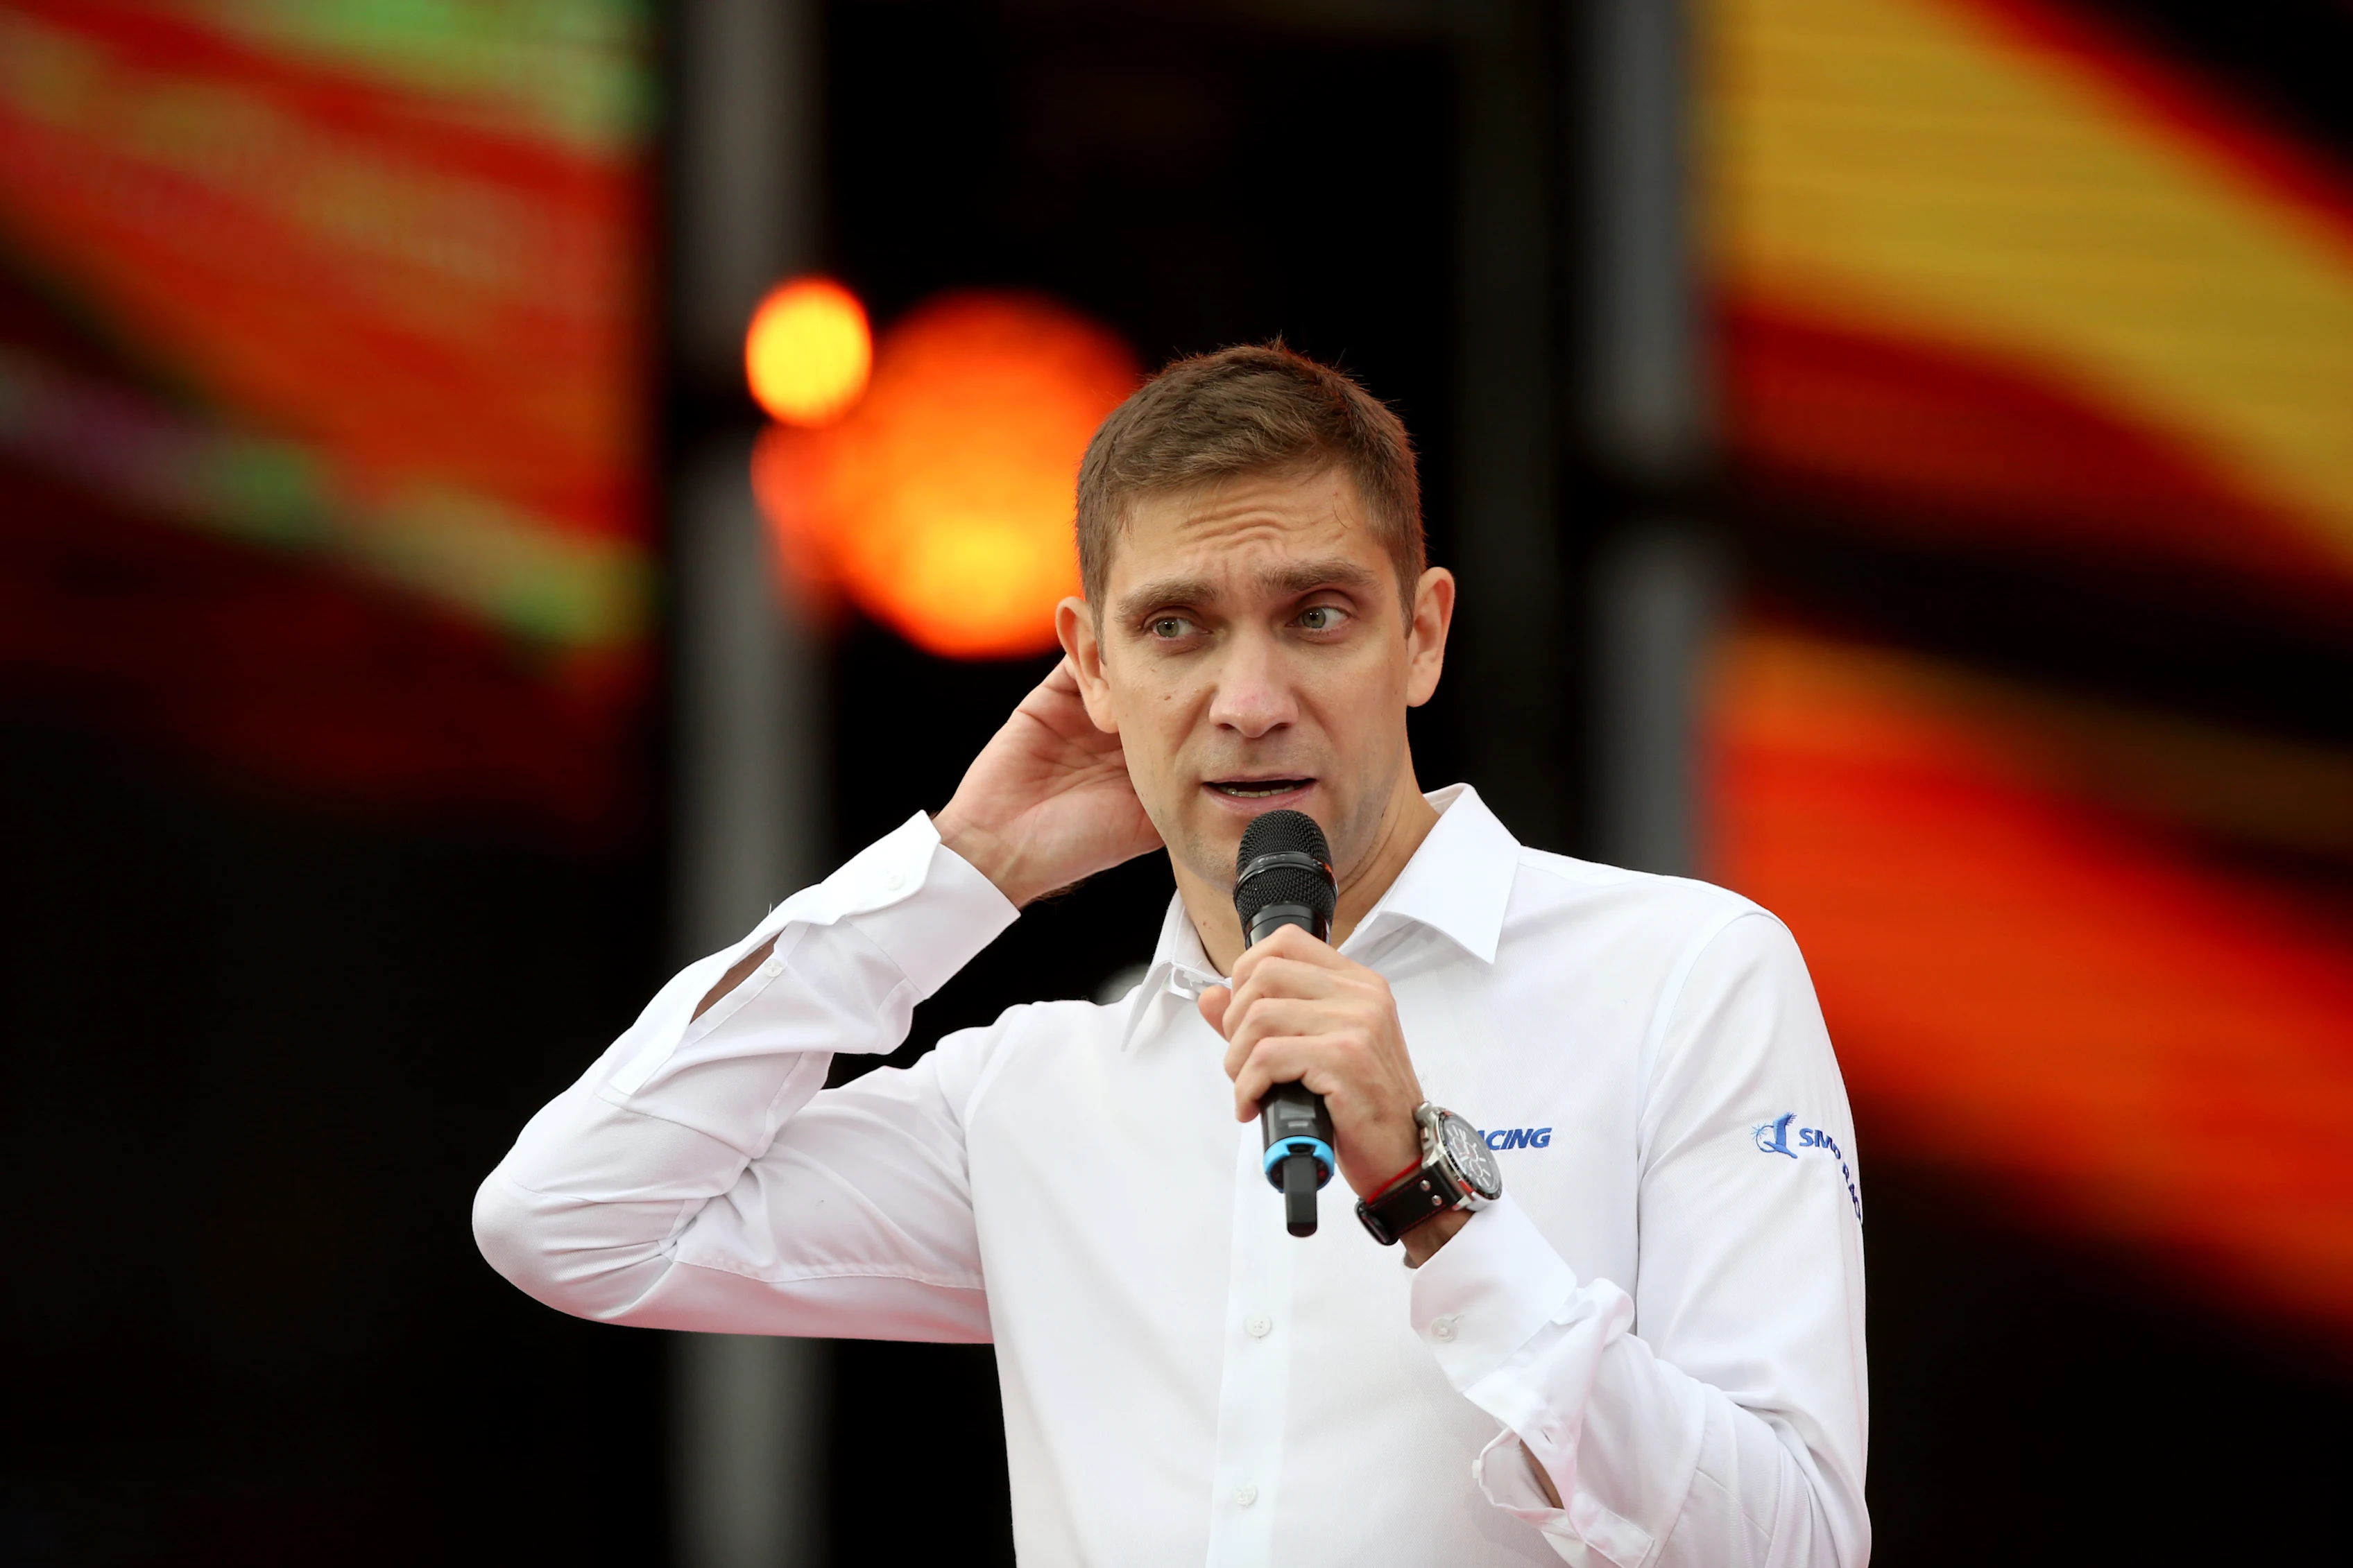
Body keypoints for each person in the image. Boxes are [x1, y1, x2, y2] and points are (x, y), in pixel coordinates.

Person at [475, 344, 1868, 1567]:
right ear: (1089, 666)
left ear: (1422, 634)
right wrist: (962, 869)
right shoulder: (1033, 1091)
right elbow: (570, 1219)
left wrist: (1436, 1200)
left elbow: (1795, 1543)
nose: (1249, 703)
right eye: (1176, 627)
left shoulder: (1685, 973)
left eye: (1315, 614)